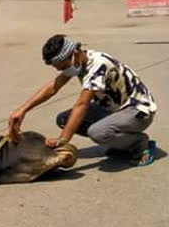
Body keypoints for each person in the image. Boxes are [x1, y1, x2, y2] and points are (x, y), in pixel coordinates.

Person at [9, 34, 157, 166]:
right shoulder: (80, 61)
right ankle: (123, 144)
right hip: (115, 108)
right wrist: (22, 110)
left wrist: (63, 141)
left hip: (138, 111)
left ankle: (140, 143)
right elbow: (53, 87)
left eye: (64, 67)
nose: (63, 71)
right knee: (64, 120)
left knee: (97, 132)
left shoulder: (97, 65)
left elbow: (82, 104)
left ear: (75, 54)